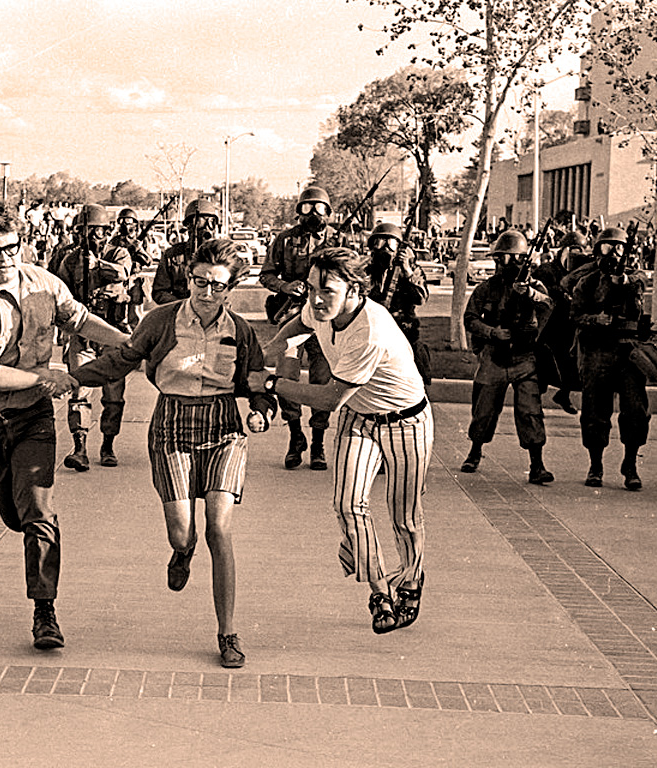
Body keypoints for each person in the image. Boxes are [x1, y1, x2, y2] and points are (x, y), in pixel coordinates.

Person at [71, 238, 275, 668]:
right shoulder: (161, 321)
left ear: (230, 288)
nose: (206, 292)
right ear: (189, 279)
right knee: (183, 531)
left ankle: (228, 633)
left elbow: (256, 382)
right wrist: (73, 380)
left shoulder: (240, 330)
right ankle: (182, 551)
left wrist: (260, 412)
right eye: (200, 282)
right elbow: (121, 360)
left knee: (219, 529)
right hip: (172, 422)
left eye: (217, 285)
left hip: (224, 427)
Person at [0, 203, 129, 650]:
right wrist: (50, 378)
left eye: (10, 248)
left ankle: (45, 611)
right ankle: (28, 532)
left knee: (39, 512)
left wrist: (132, 344)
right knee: (15, 514)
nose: (3, 258)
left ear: (22, 244)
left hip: (32, 417)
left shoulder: (44, 284)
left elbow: (79, 320)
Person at [251, 246, 432, 635]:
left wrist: (269, 382)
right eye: (313, 287)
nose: (316, 299)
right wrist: (267, 354)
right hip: (359, 417)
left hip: (405, 421)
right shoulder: (321, 309)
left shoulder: (371, 330)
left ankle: (412, 583)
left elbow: (330, 398)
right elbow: (296, 328)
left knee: (403, 516)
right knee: (348, 504)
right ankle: (380, 590)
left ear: (355, 290)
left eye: (327, 291)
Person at [460, 230, 555, 484]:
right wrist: (492, 333)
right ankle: (474, 452)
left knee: (530, 411)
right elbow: (469, 319)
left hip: (524, 359)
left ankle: (537, 465)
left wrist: (529, 294)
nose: (505, 263)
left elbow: (548, 305)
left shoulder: (534, 287)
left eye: (512, 258)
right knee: (484, 410)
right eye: (501, 258)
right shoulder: (486, 288)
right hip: (494, 357)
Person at [260, 186, 336, 470]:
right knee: (287, 377)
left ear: (328, 212)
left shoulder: (337, 241)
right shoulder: (284, 240)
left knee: (322, 380)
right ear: (298, 211)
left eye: (319, 208)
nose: (313, 214)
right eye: (306, 208)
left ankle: (318, 443)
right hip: (292, 318)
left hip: (324, 321)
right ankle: (295, 437)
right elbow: (266, 274)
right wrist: (286, 286)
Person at [53, 203, 133, 470]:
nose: (91, 238)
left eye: (97, 232)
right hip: (82, 335)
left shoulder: (119, 253)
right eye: (85, 232)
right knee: (78, 390)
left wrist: (98, 265)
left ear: (107, 232)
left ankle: (108, 444)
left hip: (112, 332)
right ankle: (80, 448)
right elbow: (61, 296)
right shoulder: (70, 261)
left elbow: (123, 273)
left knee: (114, 395)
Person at [570, 228, 650, 490]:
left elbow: (639, 287)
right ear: (597, 251)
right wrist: (596, 319)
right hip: (599, 350)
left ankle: (630, 464)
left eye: (619, 248)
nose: (614, 254)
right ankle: (596, 464)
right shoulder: (588, 282)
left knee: (636, 410)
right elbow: (575, 314)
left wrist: (624, 283)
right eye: (608, 247)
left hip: (628, 351)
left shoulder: (634, 277)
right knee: (594, 410)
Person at [364, 222, 431, 386]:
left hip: (403, 331)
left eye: (391, 244)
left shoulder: (411, 270)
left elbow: (421, 298)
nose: (385, 248)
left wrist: (407, 271)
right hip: (373, 333)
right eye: (379, 243)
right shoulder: (366, 270)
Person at [533, 230, 591, 414]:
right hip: (549, 325)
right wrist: (559, 291)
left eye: (579, 251)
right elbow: (538, 289)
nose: (574, 255)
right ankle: (535, 403)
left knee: (573, 365)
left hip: (570, 326)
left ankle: (563, 394)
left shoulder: (583, 273)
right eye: (571, 250)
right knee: (544, 365)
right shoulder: (547, 270)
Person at [151, 198, 220, 305]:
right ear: (189, 225)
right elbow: (159, 292)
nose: (208, 227)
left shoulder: (220, 255)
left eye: (211, 222)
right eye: (203, 221)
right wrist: (183, 305)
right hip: (181, 313)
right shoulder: (172, 255)